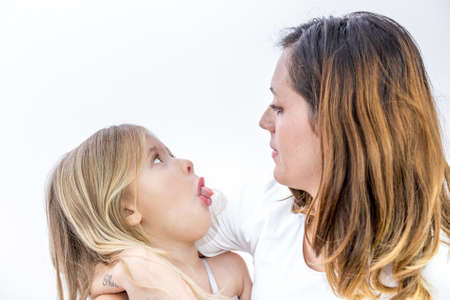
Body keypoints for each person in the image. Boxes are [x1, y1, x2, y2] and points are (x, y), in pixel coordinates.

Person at [91, 11, 449, 300]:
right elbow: (130, 241)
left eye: (279, 107)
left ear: (338, 121)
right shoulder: (269, 209)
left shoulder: (436, 271)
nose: (264, 121)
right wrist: (123, 280)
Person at [46, 124, 252, 300]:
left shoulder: (232, 269)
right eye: (157, 160)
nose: (187, 163)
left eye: (170, 154)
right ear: (128, 211)